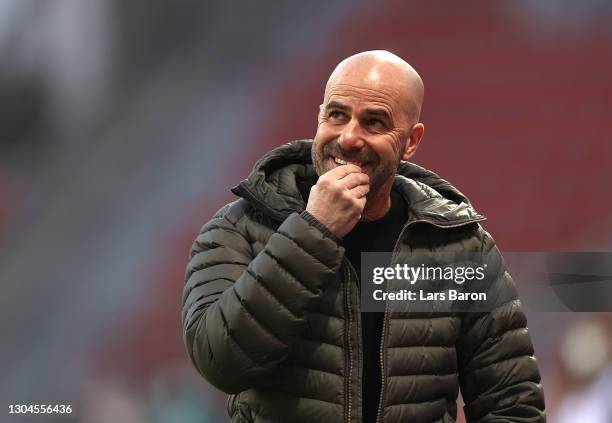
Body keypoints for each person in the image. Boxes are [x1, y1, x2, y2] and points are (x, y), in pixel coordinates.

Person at [181, 50, 546, 423]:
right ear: (319, 116)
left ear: (411, 141)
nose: (350, 137)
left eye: (375, 122)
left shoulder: (460, 249)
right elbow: (220, 362)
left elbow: (511, 407)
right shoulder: (240, 228)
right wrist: (313, 230)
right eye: (337, 115)